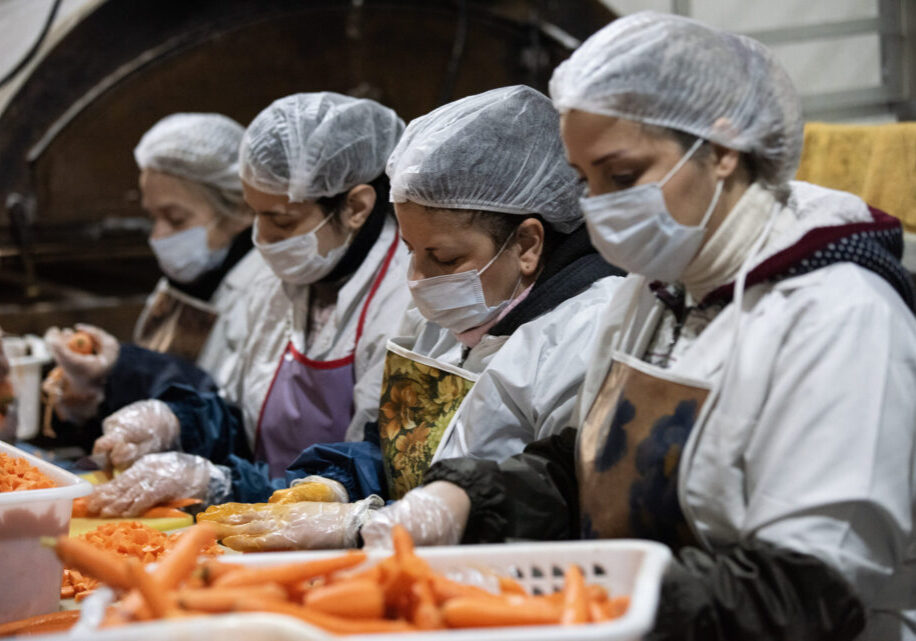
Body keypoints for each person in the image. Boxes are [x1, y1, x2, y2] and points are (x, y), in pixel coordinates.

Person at [244, 13, 915, 640]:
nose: (597, 208)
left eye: (622, 174)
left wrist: (564, 596)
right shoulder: (656, 291)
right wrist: (462, 500)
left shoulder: (839, 315)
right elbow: (595, 460)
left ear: (724, 149)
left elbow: (808, 591)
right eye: (584, 180)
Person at [196, 86, 626, 549]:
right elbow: (398, 448)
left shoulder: (589, 333)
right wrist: (338, 484)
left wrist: (375, 525)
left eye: (443, 257)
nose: (417, 277)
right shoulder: (447, 313)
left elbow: (562, 503)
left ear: (527, 245)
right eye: (409, 250)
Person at [84, 92, 412, 516]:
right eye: (256, 214)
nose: (262, 237)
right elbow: (242, 415)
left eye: (282, 221)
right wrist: (175, 420)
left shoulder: (405, 305)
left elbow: (373, 472)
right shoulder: (288, 279)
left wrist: (227, 485)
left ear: (356, 207)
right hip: (257, 525)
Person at [39, 113, 263, 444]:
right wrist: (95, 393)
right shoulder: (186, 279)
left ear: (241, 211)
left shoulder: (264, 289)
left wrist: (123, 366)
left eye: (175, 219)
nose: (158, 236)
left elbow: (231, 417)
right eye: (152, 217)